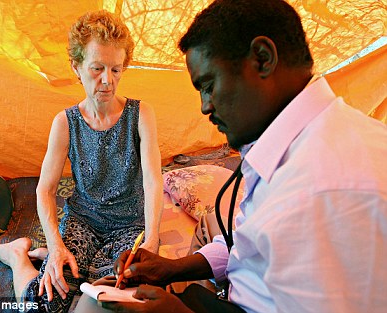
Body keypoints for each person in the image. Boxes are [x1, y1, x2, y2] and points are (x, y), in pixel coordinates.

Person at [75, 0, 387, 312]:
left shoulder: (330, 191)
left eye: (208, 86)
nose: (205, 107)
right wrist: (174, 268)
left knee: (92, 306)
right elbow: (253, 245)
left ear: (262, 59)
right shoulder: (305, 141)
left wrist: (176, 312)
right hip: (238, 291)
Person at [0, 10, 163, 312]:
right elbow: (44, 190)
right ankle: (18, 256)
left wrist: (152, 239)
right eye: (97, 68)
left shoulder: (141, 114)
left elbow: (153, 179)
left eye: (116, 70)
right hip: (83, 222)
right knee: (45, 302)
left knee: (115, 302)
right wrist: (56, 247)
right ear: (76, 67)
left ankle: (46, 257)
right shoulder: (65, 123)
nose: (108, 81)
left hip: (129, 226)